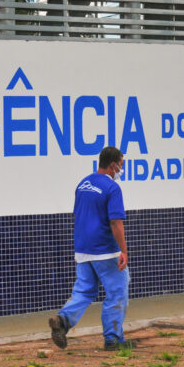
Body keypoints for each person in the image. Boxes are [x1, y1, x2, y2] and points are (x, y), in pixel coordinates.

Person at [49, 146, 134, 351]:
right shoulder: (112, 188)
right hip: (105, 250)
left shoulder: (83, 184)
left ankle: (62, 320)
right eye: (121, 165)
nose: (121, 170)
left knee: (84, 291)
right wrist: (123, 250)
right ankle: (113, 339)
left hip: (82, 249)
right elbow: (115, 222)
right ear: (113, 165)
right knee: (117, 292)